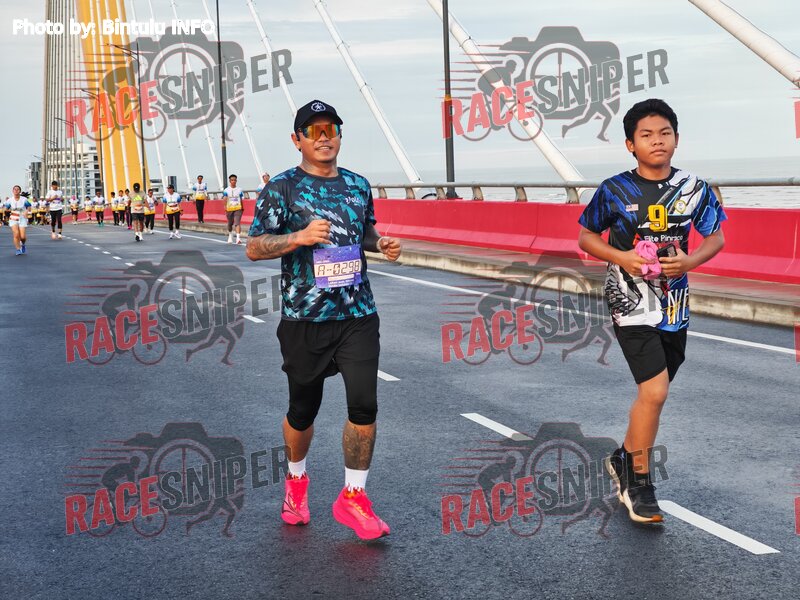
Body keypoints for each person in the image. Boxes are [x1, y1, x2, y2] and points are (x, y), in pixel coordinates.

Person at [246, 99, 402, 540]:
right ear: (297, 140)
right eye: (313, 131)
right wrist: (298, 237)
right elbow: (254, 246)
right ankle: (296, 482)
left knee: (364, 404)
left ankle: (353, 496)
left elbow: (363, 230)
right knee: (303, 410)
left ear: (339, 135)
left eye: (330, 129)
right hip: (305, 318)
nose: (323, 137)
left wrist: (379, 244)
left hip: (358, 313)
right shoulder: (282, 188)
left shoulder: (357, 184)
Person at [577, 99, 726, 524]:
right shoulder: (614, 189)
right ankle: (638, 484)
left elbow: (715, 238)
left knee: (654, 392)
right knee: (655, 391)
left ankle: (624, 458)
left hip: (674, 303)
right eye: (646, 135)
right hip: (629, 299)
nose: (657, 141)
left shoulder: (695, 188)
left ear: (676, 139)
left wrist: (690, 261)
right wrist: (621, 258)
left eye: (664, 133)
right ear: (630, 144)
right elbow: (587, 237)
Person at [7, 186, 31, 255]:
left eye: (18, 189)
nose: (16, 190)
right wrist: (7, 211)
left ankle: (23, 244)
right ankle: (18, 249)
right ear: (13, 191)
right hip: (13, 217)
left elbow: (29, 207)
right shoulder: (10, 200)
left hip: (22, 217)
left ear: (20, 191)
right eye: (15, 189)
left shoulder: (24, 199)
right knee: (16, 234)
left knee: (23, 237)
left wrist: (26, 212)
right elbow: (6, 208)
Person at [222, 174, 244, 244]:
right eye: (232, 180)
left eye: (234, 180)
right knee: (230, 224)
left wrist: (242, 207)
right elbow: (225, 199)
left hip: (238, 208)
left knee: (237, 223)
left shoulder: (239, 190)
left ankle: (238, 238)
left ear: (236, 181)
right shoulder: (226, 190)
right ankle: (230, 235)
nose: (233, 181)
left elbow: (241, 199)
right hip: (229, 209)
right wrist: (225, 207)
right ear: (230, 181)